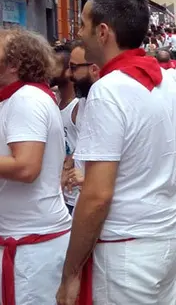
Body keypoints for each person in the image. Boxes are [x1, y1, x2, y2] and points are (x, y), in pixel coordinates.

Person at [56, 0, 176, 305]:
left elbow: (97, 196)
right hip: (164, 238)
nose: (79, 34)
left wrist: (70, 273)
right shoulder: (166, 82)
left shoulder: (109, 90)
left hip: (126, 250)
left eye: (83, 26)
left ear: (103, 32)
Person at [0, 29, 71, 305]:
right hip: (26, 241)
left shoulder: (26, 100)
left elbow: (26, 167)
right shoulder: (17, 98)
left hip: (32, 248)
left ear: (15, 63)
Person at [60, 41, 101, 205]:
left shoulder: (106, 101)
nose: (69, 74)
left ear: (93, 69)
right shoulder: (84, 99)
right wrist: (70, 161)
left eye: (74, 67)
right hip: (78, 198)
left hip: (97, 202)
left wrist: (88, 180)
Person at [52, 43, 79, 214]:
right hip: (60, 196)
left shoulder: (78, 107)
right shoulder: (53, 101)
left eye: (54, 65)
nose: (47, 69)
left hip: (75, 197)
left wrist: (70, 161)